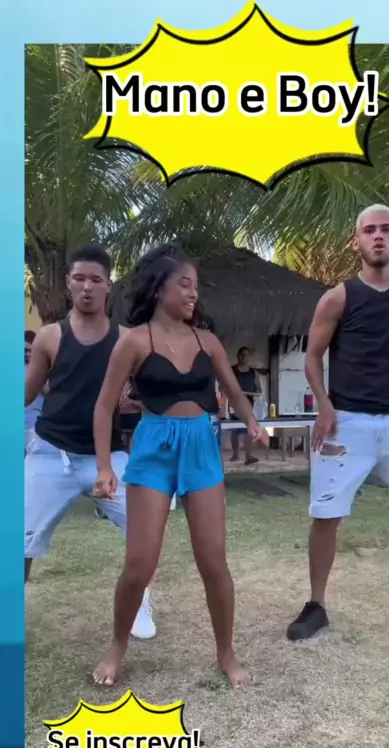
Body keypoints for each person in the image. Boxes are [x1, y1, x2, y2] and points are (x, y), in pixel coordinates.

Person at [92, 244, 269, 688]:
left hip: (201, 448)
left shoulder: (208, 341)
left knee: (214, 562)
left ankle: (226, 654)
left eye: (196, 286)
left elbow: (234, 391)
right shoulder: (134, 341)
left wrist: (252, 422)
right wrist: (104, 466)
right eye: (184, 284)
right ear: (159, 289)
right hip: (153, 448)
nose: (193, 293)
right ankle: (117, 647)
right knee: (140, 564)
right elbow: (104, 406)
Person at [287, 204, 389, 641]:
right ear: (356, 241)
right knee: (326, 515)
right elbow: (312, 357)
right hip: (345, 425)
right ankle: (316, 605)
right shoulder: (338, 297)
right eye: (369, 230)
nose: (377, 236)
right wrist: (324, 406)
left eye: (385, 229)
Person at [24, 244, 155, 640]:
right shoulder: (49, 337)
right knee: (18, 540)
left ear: (108, 286)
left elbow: (150, 394)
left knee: (145, 529)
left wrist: (138, 400)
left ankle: (139, 602)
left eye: (95, 280)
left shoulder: (127, 339)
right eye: (79, 278)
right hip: (51, 452)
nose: (86, 287)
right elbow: (26, 394)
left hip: (108, 456)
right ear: (68, 283)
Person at [230, 347, 262, 464]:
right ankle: (235, 455)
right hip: (234, 404)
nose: (244, 357)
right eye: (242, 355)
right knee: (234, 430)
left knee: (249, 429)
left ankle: (248, 456)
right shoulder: (232, 371)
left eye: (246, 355)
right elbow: (224, 386)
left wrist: (252, 394)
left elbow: (259, 390)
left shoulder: (253, 373)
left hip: (249, 405)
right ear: (238, 356)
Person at [25, 331, 44, 454]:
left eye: (30, 351)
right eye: (25, 350)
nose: (28, 354)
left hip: (34, 428)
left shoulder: (43, 367)